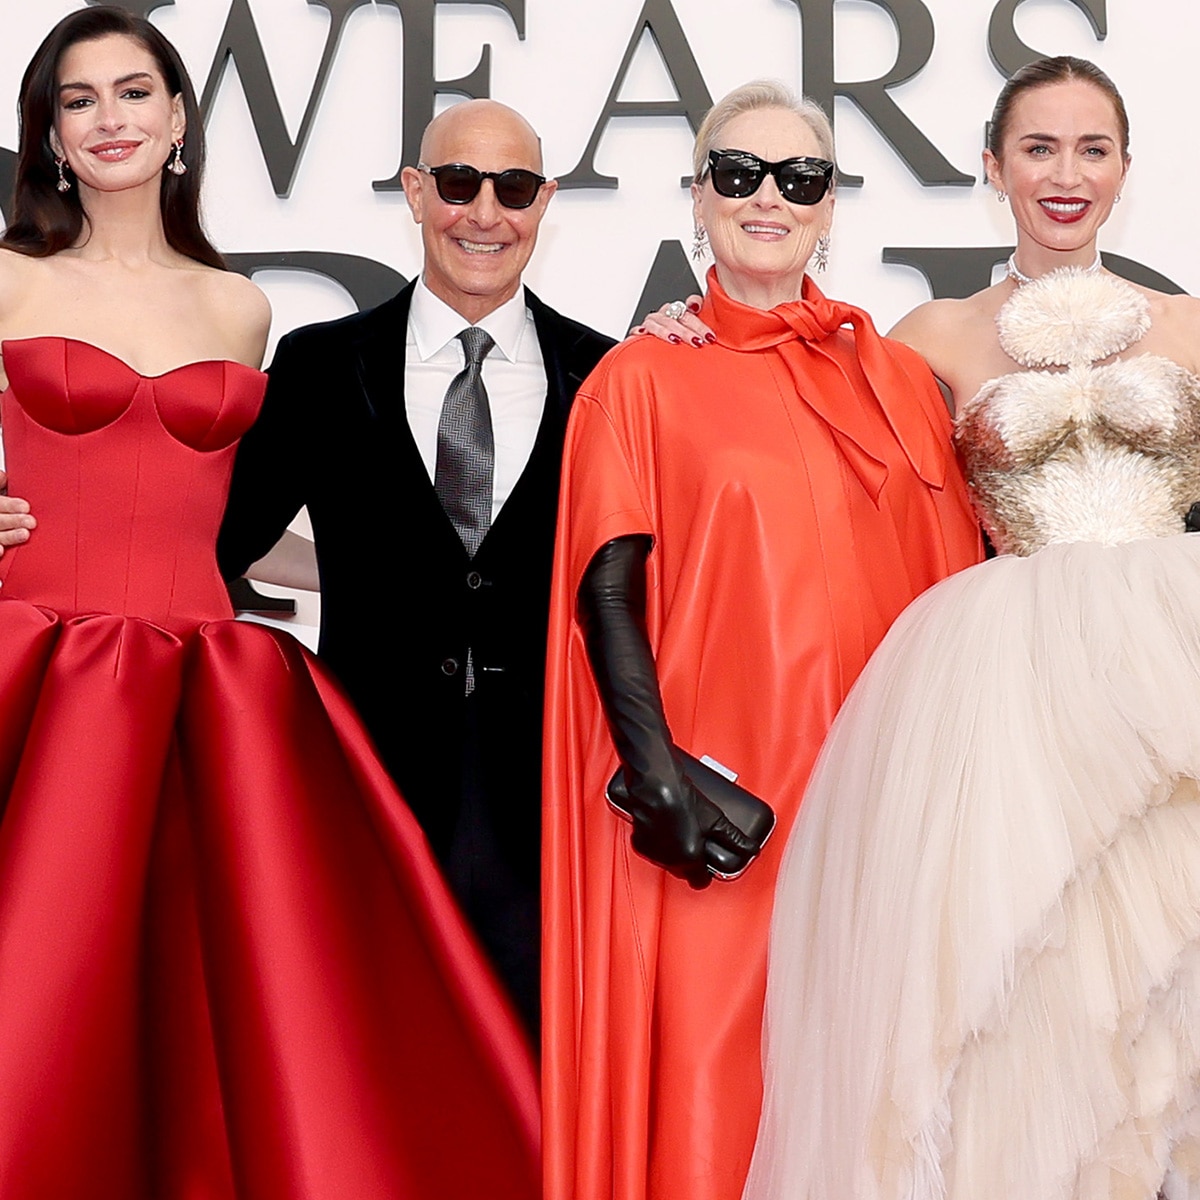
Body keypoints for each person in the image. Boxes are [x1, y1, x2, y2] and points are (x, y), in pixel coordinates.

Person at [0, 9, 539, 1197]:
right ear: (46, 132)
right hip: (35, 672)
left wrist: (430, 570)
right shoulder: (7, 280)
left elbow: (254, 531)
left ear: (180, 118)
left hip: (201, 685)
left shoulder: (240, 310)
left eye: (133, 94)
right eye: (78, 100)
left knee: (200, 1006)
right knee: (34, 993)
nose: (109, 121)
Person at [742, 57, 1200, 1200]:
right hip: (1015, 699)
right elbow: (797, 432)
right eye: (1039, 149)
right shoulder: (930, 336)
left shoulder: (1193, 324)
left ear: (1127, 172)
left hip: (1172, 678)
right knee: (1035, 992)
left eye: (1093, 149)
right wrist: (698, 328)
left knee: (1173, 983)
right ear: (991, 167)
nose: (1067, 174)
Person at [542, 80, 983, 1200]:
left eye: (799, 178)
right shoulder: (639, 376)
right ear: (698, 197)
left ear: (830, 206)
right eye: (737, 174)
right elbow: (606, 585)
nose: (768, 198)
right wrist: (656, 775)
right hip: (729, 807)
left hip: (885, 800)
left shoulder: (899, 378)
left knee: (877, 1082)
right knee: (716, 1088)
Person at [215, 99, 614, 1032]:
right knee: (376, 1050)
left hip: (550, 797)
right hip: (370, 786)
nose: (485, 213)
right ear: (414, 191)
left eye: (513, 187)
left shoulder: (608, 376)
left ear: (545, 202)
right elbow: (218, 537)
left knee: (532, 1072)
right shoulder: (320, 366)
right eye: (459, 183)